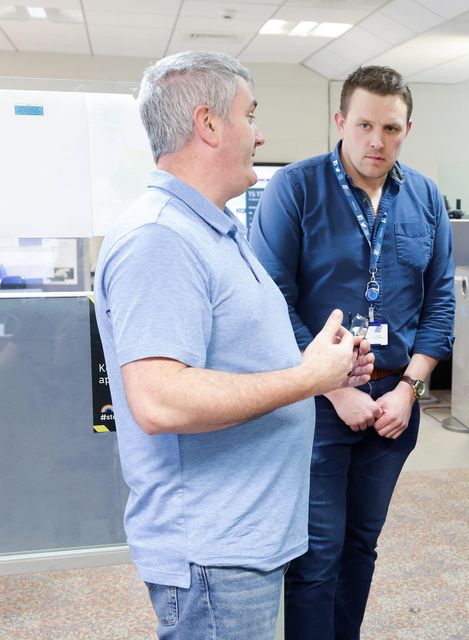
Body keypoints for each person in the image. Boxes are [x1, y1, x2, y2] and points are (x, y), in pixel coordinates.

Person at [94, 51, 374, 640]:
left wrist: (322, 367)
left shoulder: (213, 228)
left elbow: (234, 362)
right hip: (211, 552)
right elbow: (161, 400)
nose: (261, 133)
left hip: (244, 539)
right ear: (209, 124)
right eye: (251, 115)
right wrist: (306, 381)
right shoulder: (160, 240)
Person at [249, 65, 455, 639]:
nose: (376, 141)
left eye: (391, 128)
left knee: (362, 545)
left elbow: (440, 303)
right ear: (340, 121)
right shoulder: (296, 187)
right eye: (364, 124)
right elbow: (271, 301)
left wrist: (409, 391)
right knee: (317, 554)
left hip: (394, 402)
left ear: (407, 128)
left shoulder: (425, 196)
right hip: (316, 403)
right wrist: (332, 387)